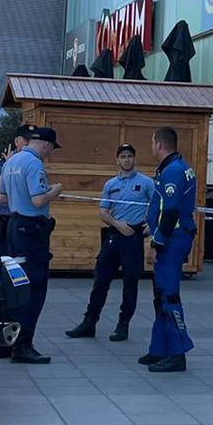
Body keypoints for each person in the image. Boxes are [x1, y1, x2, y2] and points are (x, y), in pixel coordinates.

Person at [66, 143, 151, 343]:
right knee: (100, 280)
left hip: (134, 235)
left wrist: (152, 227)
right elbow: (103, 212)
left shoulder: (146, 183)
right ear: (117, 160)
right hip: (114, 234)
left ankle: (123, 325)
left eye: (130, 156)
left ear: (134, 158)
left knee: (130, 283)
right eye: (123, 156)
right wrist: (116, 224)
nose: (126, 160)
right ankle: (89, 322)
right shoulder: (110, 184)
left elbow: (158, 206)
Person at [0, 125, 59, 364]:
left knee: (13, 285)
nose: (49, 154)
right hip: (32, 231)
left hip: (13, 226)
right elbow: (39, 199)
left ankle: (5, 342)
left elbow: (1, 196)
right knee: (34, 288)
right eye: (50, 149)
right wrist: (56, 190)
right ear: (46, 145)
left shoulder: (11, 162)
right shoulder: (34, 164)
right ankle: (23, 345)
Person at [140, 125, 197, 374]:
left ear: (159, 144)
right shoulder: (176, 167)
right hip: (173, 236)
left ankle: (177, 353)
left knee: (169, 295)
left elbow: (171, 211)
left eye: (152, 142)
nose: (151, 146)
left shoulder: (173, 171)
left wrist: (156, 242)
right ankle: (159, 348)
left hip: (172, 239)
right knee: (160, 295)